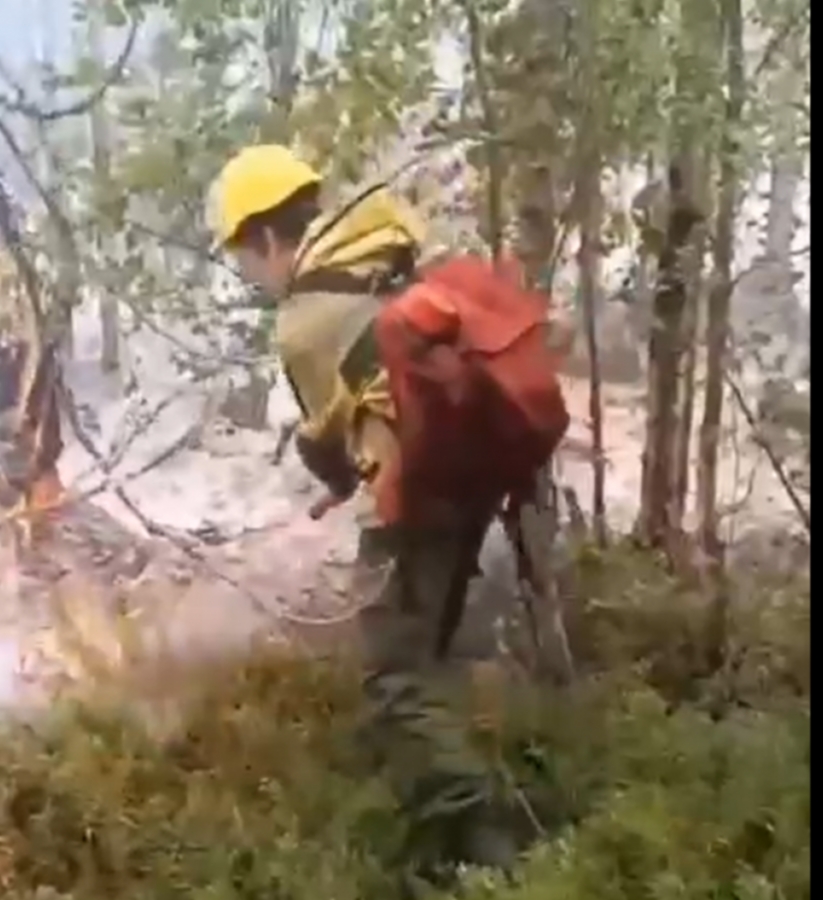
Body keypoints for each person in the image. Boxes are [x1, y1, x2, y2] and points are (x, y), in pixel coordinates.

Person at [208, 144, 528, 873]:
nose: (248, 275)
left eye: (242, 257)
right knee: (434, 648)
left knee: (394, 679)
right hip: (476, 473)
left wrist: (318, 461)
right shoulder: (388, 254)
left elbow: (332, 424)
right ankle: (455, 795)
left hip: (416, 495)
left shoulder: (304, 319)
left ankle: (481, 856)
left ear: (264, 237)